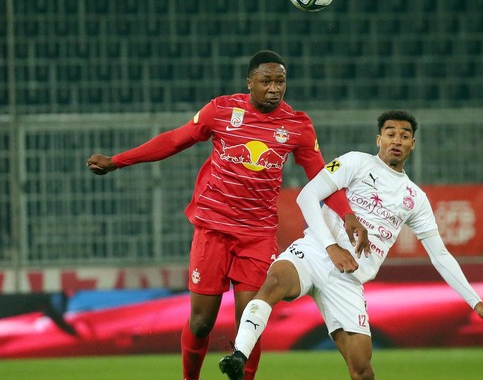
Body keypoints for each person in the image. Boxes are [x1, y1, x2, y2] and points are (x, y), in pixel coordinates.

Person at [86, 50, 368, 380]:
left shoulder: (297, 125)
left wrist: (347, 214)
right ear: (250, 83)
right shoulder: (221, 110)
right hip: (213, 230)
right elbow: (175, 140)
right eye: (266, 81)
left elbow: (321, 176)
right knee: (202, 322)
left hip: (258, 236)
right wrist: (118, 160)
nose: (274, 88)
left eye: (280, 81)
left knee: (252, 320)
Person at [219, 109, 483, 380]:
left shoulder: (414, 198)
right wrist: (332, 247)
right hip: (315, 252)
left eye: (404, 135)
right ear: (378, 139)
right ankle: (239, 355)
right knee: (273, 283)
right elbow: (307, 196)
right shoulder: (355, 161)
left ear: (413, 144)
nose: (397, 140)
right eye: (391, 133)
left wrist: (477, 303)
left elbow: (440, 256)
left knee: (362, 370)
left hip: (349, 280)